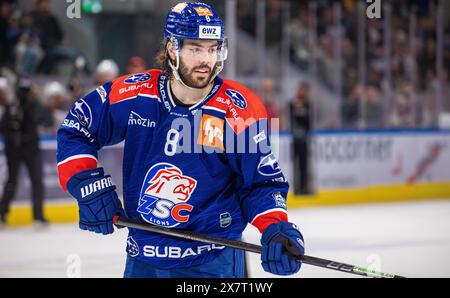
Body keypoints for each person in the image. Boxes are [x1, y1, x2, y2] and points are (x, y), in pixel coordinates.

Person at [56, 2, 304, 278]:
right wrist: (86, 183)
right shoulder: (135, 94)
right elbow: (76, 127)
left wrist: (275, 227)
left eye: (212, 49)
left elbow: (260, 182)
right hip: (143, 259)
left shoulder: (238, 110)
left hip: (212, 262)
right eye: (196, 48)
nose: (206, 60)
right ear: (172, 48)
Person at [0, 76, 53, 227]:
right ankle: (2, 213)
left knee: (36, 181)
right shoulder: (13, 107)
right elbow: (2, 126)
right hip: (15, 149)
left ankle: (38, 216)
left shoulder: (33, 105)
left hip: (30, 148)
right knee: (12, 182)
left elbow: (47, 121)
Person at [289, 82, 311, 195]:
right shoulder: (292, 103)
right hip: (293, 139)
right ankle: (295, 188)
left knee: (304, 164)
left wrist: (302, 111)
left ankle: (304, 187)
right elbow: (289, 119)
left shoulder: (308, 104)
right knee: (294, 164)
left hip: (304, 139)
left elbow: (309, 123)